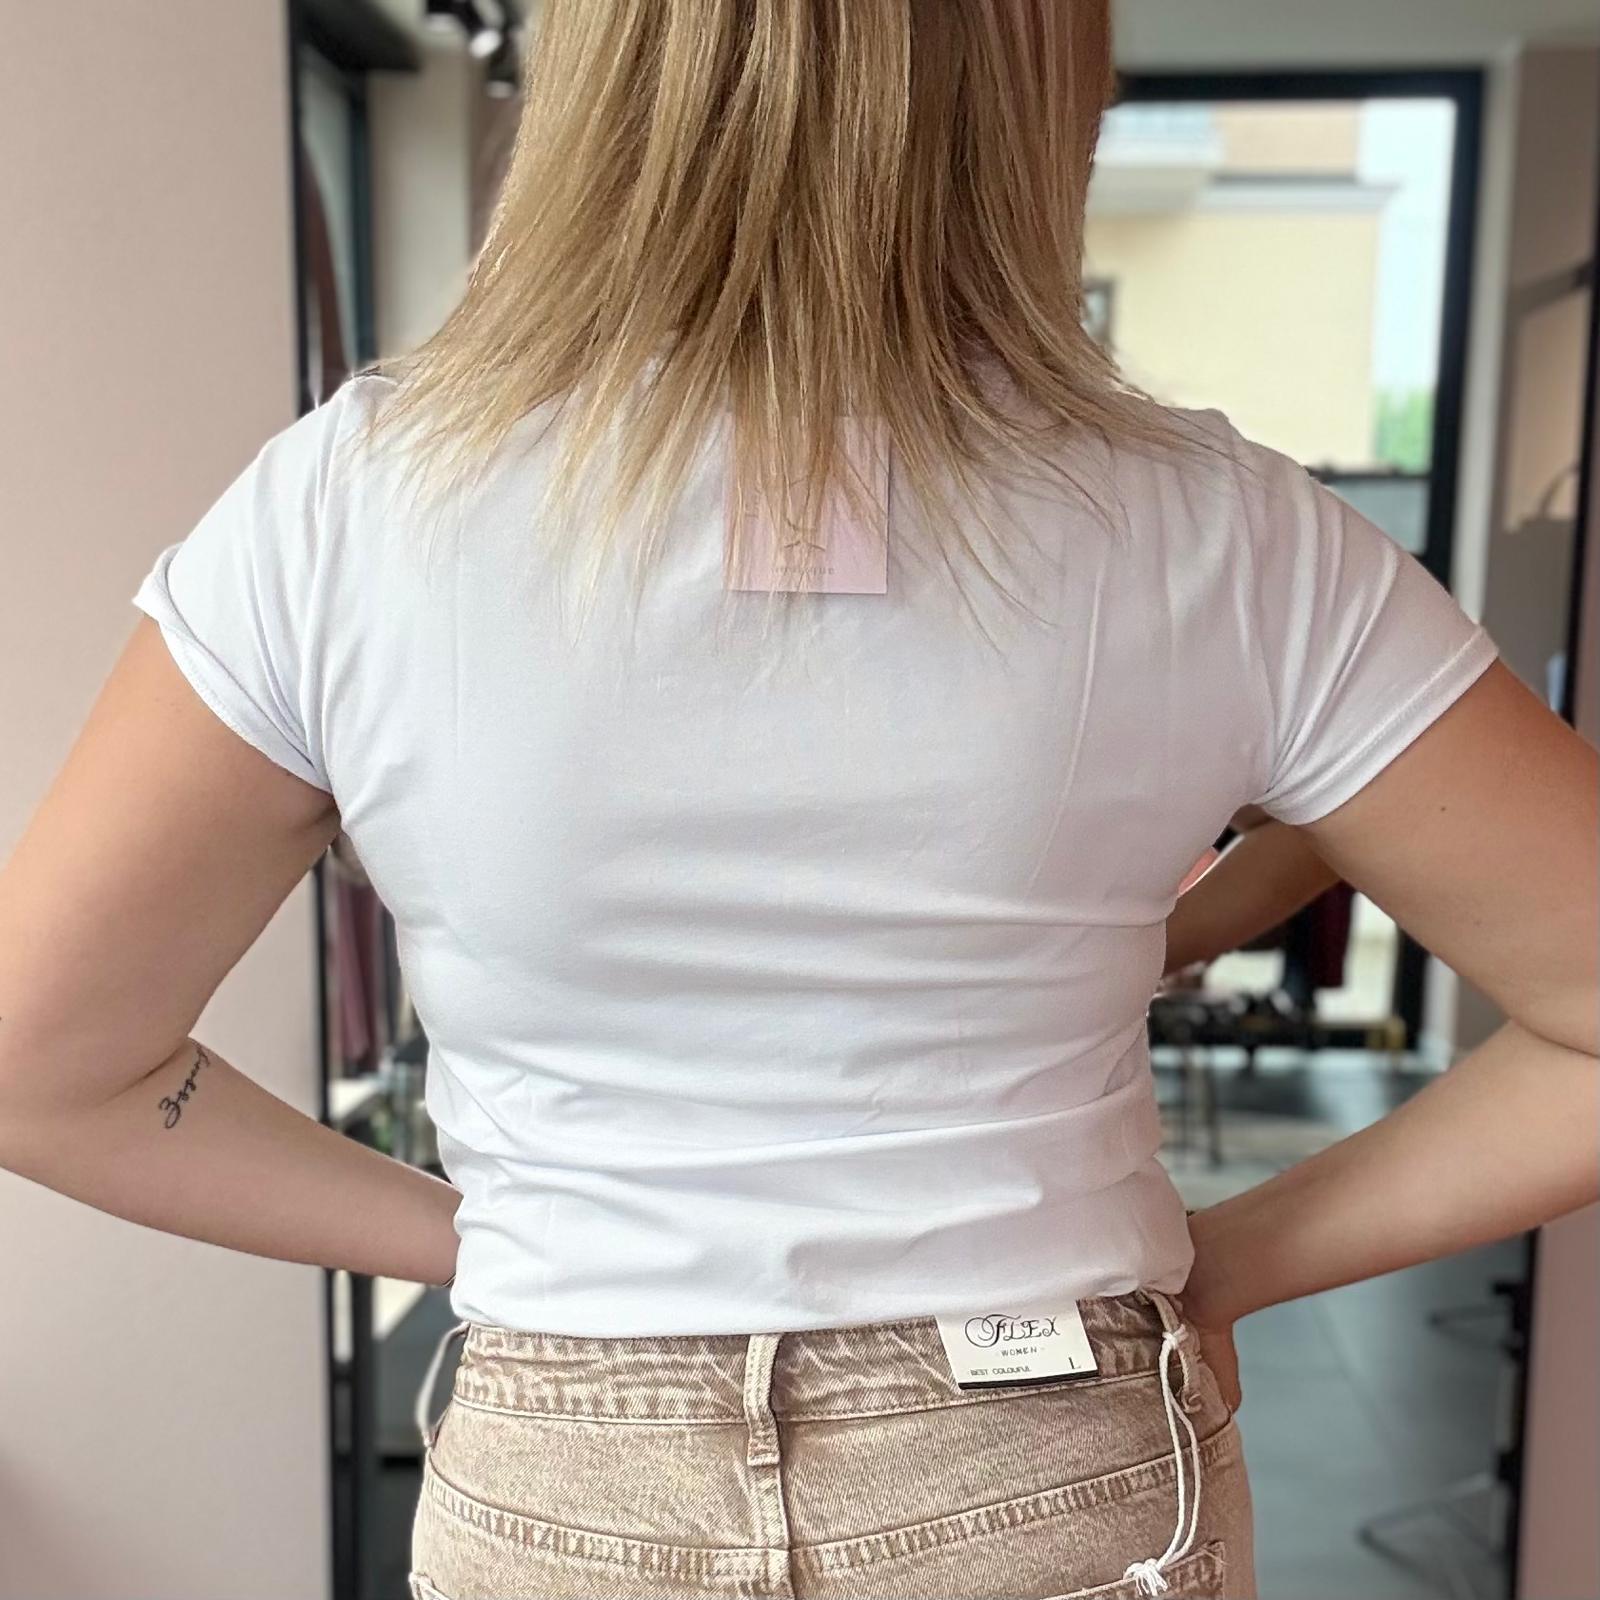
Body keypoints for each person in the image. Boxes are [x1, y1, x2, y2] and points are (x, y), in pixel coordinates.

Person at [1, 3, 1595, 1597]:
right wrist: (1227, 1265)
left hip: (569, 1470)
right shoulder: (1223, 532)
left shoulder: (343, 511)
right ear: (1044, 90)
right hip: (1045, 1446)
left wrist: (509, 1242)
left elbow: (43, 1068)